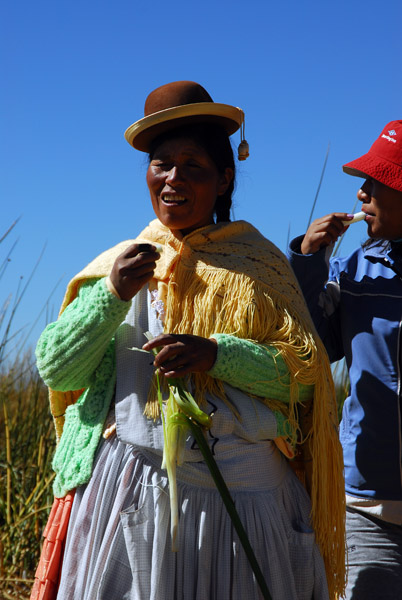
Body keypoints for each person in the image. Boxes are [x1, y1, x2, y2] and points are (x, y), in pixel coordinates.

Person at [31, 81, 345, 600]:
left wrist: (218, 355)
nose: (173, 178)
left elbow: (307, 382)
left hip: (245, 503)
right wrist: (112, 294)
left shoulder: (260, 270)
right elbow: (58, 370)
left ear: (224, 179)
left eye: (192, 166)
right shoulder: (121, 266)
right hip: (132, 497)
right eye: (162, 164)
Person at [287, 120, 402, 599]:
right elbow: (306, 350)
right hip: (366, 510)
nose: (361, 194)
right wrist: (310, 261)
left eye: (376, 182)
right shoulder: (353, 272)